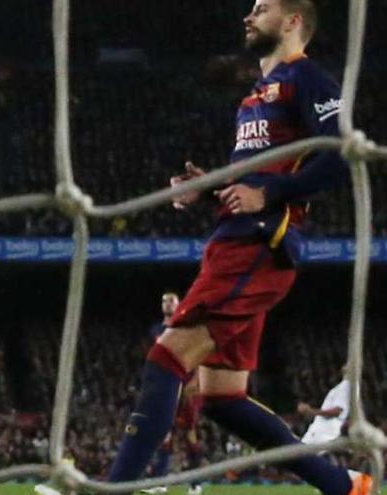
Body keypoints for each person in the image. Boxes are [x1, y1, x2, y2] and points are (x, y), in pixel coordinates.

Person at [106, 1, 372, 494]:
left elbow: (341, 154)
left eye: (261, 8)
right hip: (233, 239)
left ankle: (110, 488)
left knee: (166, 360)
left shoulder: (307, 78)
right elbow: (257, 177)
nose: (248, 16)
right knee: (222, 397)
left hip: (257, 246)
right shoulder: (253, 97)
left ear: (293, 22)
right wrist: (208, 188)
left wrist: (267, 194)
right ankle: (342, 487)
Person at [142, 293, 203, 495]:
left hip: (186, 386)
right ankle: (160, 481)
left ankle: (196, 484)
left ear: (178, 305)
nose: (167, 303)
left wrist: (195, 380)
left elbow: (200, 354)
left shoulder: (186, 327)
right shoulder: (155, 330)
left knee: (189, 435)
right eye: (164, 301)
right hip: (167, 385)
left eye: (171, 300)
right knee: (164, 434)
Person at [298, 366, 351, 445]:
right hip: (327, 430)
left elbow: (337, 412)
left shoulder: (345, 386)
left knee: (300, 455)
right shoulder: (348, 387)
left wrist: (310, 411)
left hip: (323, 431)